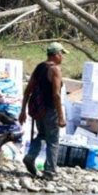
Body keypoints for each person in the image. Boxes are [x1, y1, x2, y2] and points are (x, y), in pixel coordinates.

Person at [21, 42, 68, 180]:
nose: (62, 58)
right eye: (61, 54)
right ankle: (50, 171)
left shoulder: (39, 67)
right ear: (55, 55)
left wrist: (23, 110)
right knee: (53, 140)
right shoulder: (55, 70)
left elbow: (28, 90)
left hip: (38, 109)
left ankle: (30, 156)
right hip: (50, 110)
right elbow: (56, 94)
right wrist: (61, 116)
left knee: (42, 135)